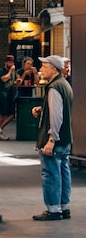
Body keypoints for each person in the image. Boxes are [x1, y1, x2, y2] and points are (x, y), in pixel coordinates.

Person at [31, 55, 74, 221]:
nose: (41, 70)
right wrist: (41, 110)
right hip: (65, 138)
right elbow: (59, 110)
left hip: (55, 140)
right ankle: (64, 207)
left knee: (51, 174)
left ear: (54, 69)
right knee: (63, 171)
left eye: (45, 67)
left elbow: (57, 116)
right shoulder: (65, 85)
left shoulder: (54, 87)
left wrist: (51, 140)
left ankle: (53, 210)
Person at [0, 55, 17, 140]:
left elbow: (12, 81)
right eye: (9, 62)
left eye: (12, 62)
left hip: (10, 94)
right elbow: (4, 79)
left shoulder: (13, 71)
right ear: (6, 62)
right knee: (2, 113)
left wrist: (16, 81)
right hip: (1, 94)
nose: (11, 64)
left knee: (11, 114)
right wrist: (10, 71)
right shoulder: (1, 70)